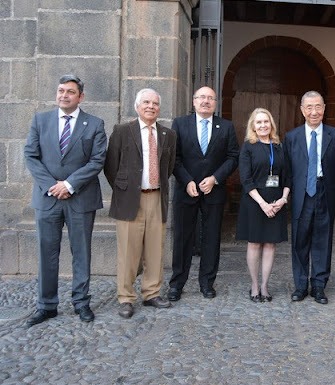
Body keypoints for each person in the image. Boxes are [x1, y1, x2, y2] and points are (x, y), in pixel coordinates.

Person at [23, 74, 107, 326]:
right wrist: (53, 186)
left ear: (81, 96)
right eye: (61, 91)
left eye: (70, 92)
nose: (64, 95)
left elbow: (97, 160)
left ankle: (81, 303)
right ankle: (46, 305)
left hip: (80, 198)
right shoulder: (41, 121)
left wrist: (70, 184)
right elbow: (31, 156)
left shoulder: (94, 124)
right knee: (47, 252)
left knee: (81, 253)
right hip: (47, 198)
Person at [104, 88, 177, 319]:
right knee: (128, 250)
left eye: (155, 103)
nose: (150, 107)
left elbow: (170, 166)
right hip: (129, 199)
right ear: (137, 106)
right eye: (146, 102)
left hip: (156, 197)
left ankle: (151, 293)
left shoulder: (168, 135)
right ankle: (126, 298)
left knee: (156, 248)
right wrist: (125, 188)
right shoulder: (122, 131)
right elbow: (111, 166)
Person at [168, 87, 239, 302]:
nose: (206, 102)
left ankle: (207, 283)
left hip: (214, 191)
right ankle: (177, 284)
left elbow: (233, 157)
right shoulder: (180, 124)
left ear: (215, 103)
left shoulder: (226, 126)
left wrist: (215, 178)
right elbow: (175, 157)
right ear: (194, 101)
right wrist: (187, 180)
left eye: (210, 98)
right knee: (182, 239)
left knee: (211, 239)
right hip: (185, 190)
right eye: (202, 98)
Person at [285, 91, 335, 304]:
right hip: (302, 193)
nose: (314, 111)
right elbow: (289, 168)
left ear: (324, 108)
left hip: (324, 191)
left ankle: (318, 285)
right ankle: (300, 286)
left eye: (318, 106)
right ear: (302, 110)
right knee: (300, 239)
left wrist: (322, 182)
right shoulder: (292, 137)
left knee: (322, 239)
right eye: (309, 107)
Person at [236, 108, 290, 302]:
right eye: (258, 122)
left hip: (276, 202)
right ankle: (254, 285)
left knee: (270, 245)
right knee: (254, 243)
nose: (263, 125)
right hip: (254, 202)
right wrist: (263, 204)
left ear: (271, 125)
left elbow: (287, 177)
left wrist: (283, 200)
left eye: (266, 121)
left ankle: (265, 286)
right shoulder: (248, 147)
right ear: (253, 126)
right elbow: (246, 179)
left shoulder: (279, 147)